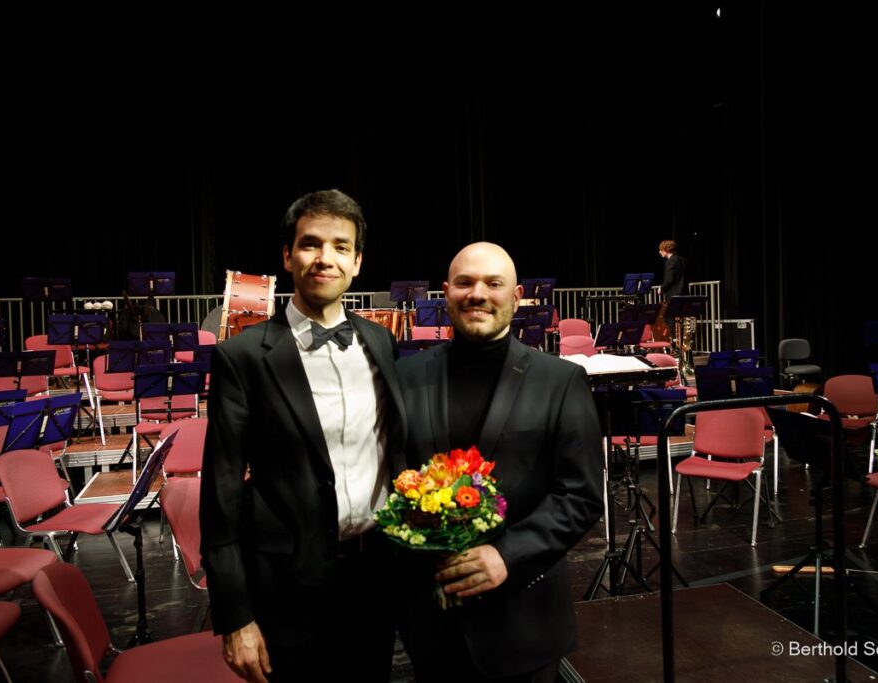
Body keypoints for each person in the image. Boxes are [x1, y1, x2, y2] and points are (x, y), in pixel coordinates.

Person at [199, 189, 406, 683]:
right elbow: (221, 495)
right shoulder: (243, 356)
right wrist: (236, 618)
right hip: (287, 584)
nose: (324, 259)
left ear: (357, 262)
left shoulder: (380, 341)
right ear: (288, 255)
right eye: (311, 244)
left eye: (340, 247)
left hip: (375, 571)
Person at [396, 242, 603, 682]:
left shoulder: (561, 381)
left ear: (517, 294)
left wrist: (507, 555)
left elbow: (580, 496)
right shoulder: (405, 376)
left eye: (494, 283)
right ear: (446, 291)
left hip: (525, 624)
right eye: (465, 282)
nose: (478, 294)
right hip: (431, 628)